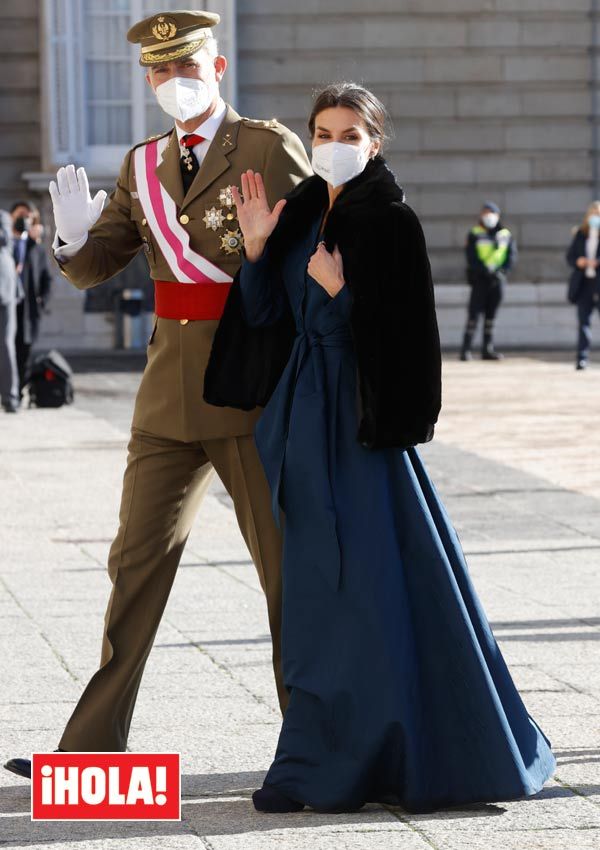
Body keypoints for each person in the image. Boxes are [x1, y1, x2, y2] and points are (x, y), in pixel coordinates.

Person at [204, 83, 557, 814]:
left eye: (350, 133)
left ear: (374, 143)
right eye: (323, 130)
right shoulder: (298, 213)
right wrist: (261, 252)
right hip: (300, 419)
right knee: (313, 594)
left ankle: (394, 750)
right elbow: (268, 318)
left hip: (363, 427)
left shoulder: (392, 223)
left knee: (373, 589)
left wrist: (342, 296)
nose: (335, 143)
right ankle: (311, 760)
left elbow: (406, 339)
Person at [4, 9, 311, 780]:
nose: (169, 83)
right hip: (167, 395)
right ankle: (92, 752)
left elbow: (314, 257)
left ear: (218, 69)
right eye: (156, 72)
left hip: (249, 388)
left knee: (284, 575)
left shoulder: (268, 150)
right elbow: (98, 262)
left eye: (183, 68)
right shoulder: (143, 163)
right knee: (133, 565)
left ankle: (312, 739)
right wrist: (71, 238)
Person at [460, 201, 517, 361]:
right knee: (473, 315)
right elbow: (471, 257)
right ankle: (466, 349)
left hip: (497, 281)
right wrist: (484, 271)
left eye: (491, 213)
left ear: (498, 216)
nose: (488, 216)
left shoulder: (505, 234)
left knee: (491, 316)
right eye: (485, 213)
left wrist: (502, 271)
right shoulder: (475, 233)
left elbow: (511, 257)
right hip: (480, 280)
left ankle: (487, 349)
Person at [10, 201, 53, 397]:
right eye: (20, 215)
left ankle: (16, 393)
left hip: (27, 310)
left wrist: (41, 301)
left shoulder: (35, 248)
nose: (23, 220)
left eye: (27, 217)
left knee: (23, 352)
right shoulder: (5, 242)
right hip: (7, 305)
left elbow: (46, 279)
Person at [566, 201, 600, 370]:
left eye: (598, 214)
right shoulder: (580, 234)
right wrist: (579, 261)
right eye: (593, 214)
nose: (596, 217)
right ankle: (582, 358)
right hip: (584, 284)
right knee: (583, 323)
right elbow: (570, 256)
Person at [0, 209, 20, 413]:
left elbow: (5, 239)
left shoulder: (3, 217)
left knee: (6, 345)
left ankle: (10, 397)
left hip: (4, 292)